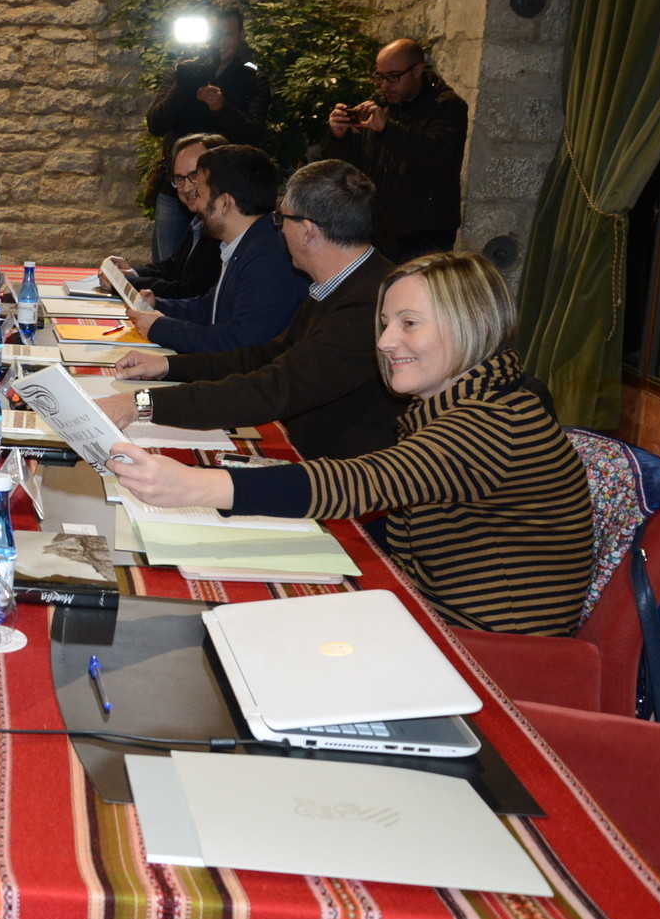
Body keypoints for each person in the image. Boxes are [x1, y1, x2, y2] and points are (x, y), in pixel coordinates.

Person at [109, 251, 593, 636]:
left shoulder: (492, 424)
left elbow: (361, 481)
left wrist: (193, 486)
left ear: (467, 325)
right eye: (385, 323)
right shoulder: (476, 400)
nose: (384, 342)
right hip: (436, 600)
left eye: (409, 323)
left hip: (486, 642)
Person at [105, 160, 407, 460]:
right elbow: (264, 356)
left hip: (335, 478)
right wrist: (169, 367)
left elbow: (272, 388)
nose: (278, 231)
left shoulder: (369, 304)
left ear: (307, 231)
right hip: (310, 452)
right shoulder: (345, 283)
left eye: (282, 218)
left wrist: (141, 403)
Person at [122, 144, 307, 354]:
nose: (195, 204)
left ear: (224, 203)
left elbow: (240, 345)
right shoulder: (249, 243)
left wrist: (161, 328)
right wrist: (158, 305)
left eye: (199, 194)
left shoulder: (268, 258)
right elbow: (210, 308)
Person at [323, 37, 468, 262]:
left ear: (418, 70)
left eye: (393, 77)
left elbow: (437, 157)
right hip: (379, 230)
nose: (384, 85)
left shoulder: (448, 107)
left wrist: (387, 129)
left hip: (424, 235)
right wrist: (339, 136)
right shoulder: (383, 104)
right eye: (380, 77)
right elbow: (355, 167)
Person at [143, 6, 270, 260]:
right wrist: (184, 86)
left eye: (228, 35)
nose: (220, 42)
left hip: (225, 194)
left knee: (213, 267)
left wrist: (222, 108)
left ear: (240, 35)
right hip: (177, 190)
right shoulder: (185, 71)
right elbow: (156, 123)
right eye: (215, 35)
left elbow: (255, 135)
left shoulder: (252, 76)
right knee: (168, 262)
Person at [101, 133, 225, 300]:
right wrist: (131, 273)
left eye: (194, 176)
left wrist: (129, 282)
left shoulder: (222, 230)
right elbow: (172, 268)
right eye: (179, 178)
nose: (186, 187)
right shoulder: (198, 222)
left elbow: (190, 292)